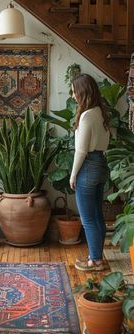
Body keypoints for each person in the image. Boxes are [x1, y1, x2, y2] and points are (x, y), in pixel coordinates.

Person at [69, 74, 110, 271]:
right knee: (97, 215)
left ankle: (95, 261)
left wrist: (73, 174)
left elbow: (82, 150)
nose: (73, 95)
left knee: (88, 219)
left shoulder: (86, 116)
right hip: (101, 164)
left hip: (88, 166)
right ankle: (96, 256)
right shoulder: (101, 112)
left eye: (74, 90)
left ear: (83, 91)